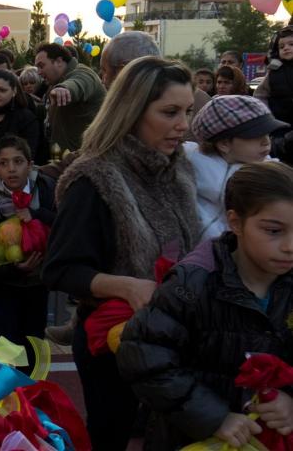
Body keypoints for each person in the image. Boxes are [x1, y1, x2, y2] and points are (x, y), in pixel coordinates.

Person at [42, 56, 200, 450]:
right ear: (132, 111)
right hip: (112, 344)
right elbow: (61, 269)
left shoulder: (178, 169)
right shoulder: (94, 178)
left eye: (188, 111)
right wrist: (128, 287)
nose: (184, 124)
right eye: (170, 112)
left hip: (172, 337)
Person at [118, 162, 293, 450]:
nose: (289, 246)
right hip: (189, 438)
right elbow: (143, 358)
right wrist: (214, 417)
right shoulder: (192, 284)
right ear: (235, 222)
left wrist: (289, 399)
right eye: (274, 231)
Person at [0, 135, 56, 352]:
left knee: (33, 343)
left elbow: (63, 224)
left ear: (30, 165)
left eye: (18, 161)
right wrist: (13, 268)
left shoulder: (47, 190)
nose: (12, 169)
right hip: (3, 285)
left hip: (38, 284)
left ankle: (32, 375)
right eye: (4, 163)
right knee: (5, 348)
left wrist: (36, 215)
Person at [183, 95, 288, 242]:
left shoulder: (270, 173)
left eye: (268, 134)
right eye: (256, 135)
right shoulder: (191, 166)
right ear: (224, 144)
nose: (266, 142)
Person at [34, 43, 106, 154]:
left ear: (59, 61)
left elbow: (78, 83)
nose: (38, 72)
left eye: (41, 66)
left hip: (84, 159)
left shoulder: (83, 73)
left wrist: (64, 88)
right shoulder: (54, 82)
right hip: (64, 158)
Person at [255, 25, 293, 161]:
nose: (286, 48)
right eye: (281, 46)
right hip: (280, 126)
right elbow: (260, 95)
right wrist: (267, 115)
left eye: (291, 44)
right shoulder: (274, 72)